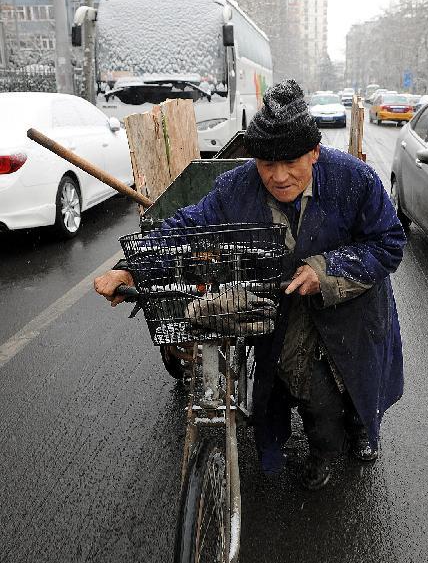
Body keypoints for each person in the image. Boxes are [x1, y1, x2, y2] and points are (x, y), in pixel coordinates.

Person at [94, 80, 406, 490]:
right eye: (265, 163)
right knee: (310, 385)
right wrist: (132, 266)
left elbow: (389, 243)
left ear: (313, 152)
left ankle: (364, 425)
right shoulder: (237, 187)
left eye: (291, 161)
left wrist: (325, 269)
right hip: (287, 300)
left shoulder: (354, 179)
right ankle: (325, 449)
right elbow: (188, 226)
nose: (278, 176)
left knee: (359, 377)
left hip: (352, 298)